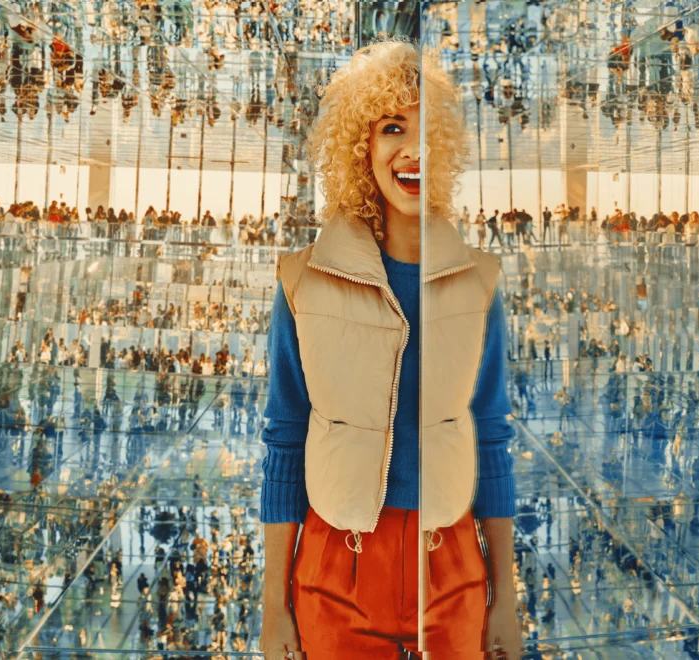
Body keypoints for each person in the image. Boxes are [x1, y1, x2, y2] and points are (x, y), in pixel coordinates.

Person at [260, 40, 519, 659]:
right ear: (361, 148)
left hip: (451, 565)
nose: (413, 149)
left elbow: (491, 434)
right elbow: (285, 437)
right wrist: (273, 607)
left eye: (427, 129)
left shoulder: (477, 282)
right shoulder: (304, 280)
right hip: (335, 568)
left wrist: (506, 597)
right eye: (392, 128)